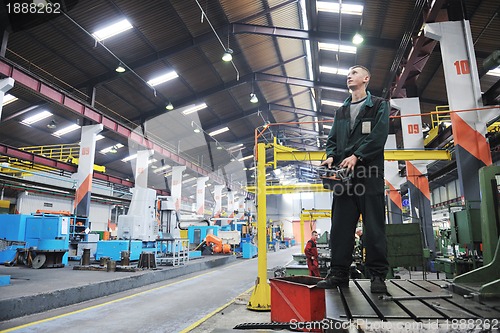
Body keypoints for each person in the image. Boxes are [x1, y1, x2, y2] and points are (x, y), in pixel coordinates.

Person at [316, 65, 390, 293]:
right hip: (344, 177)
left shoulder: (378, 105)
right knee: (340, 228)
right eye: (348, 73)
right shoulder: (341, 111)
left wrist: (357, 156)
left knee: (374, 228)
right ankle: (339, 274)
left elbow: (379, 136)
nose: (349, 75)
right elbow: (332, 140)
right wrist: (329, 156)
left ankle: (377, 276)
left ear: (366, 78)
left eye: (355, 72)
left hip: (369, 175)